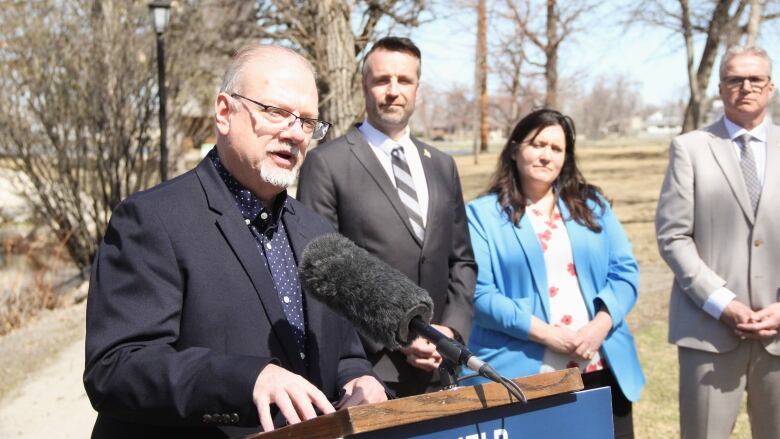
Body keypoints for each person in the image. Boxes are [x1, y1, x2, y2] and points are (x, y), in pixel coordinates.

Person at [83, 44, 386, 438]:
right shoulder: (153, 220)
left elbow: (343, 351)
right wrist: (248, 381)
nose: (294, 133)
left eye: (308, 122)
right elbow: (117, 368)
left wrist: (360, 380)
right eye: (276, 112)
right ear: (225, 112)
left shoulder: (319, 232)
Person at [297, 36, 477, 397]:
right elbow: (321, 273)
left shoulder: (442, 165)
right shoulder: (328, 164)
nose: (393, 91)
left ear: (417, 89)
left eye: (404, 80)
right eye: (382, 80)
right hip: (371, 374)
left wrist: (451, 332)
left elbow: (462, 261)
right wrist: (398, 334)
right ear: (364, 85)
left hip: (442, 371)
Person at [464, 109, 645, 438]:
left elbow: (626, 271)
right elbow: (481, 295)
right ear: (516, 148)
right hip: (524, 373)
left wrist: (599, 327)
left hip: (599, 363)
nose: (546, 155)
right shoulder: (482, 215)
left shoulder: (592, 205)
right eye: (537, 144)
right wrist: (551, 335)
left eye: (556, 148)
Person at [655, 46, 780, 439]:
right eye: (734, 79)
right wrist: (722, 303)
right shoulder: (689, 148)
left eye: (755, 79)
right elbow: (673, 236)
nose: (745, 87)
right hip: (709, 332)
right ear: (721, 87)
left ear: (771, 87)